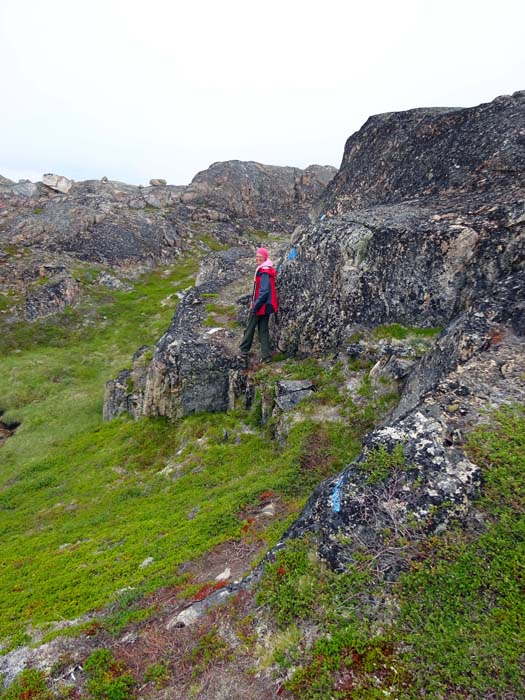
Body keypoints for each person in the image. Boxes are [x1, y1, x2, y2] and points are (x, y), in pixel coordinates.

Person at [239, 247, 278, 363]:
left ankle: (243, 351)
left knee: (250, 327)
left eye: (260, 256)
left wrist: (255, 305)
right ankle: (266, 356)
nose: (258, 258)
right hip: (267, 305)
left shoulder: (264, 272)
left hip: (260, 305)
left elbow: (264, 291)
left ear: (265, 258)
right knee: (263, 329)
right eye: (257, 256)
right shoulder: (266, 270)